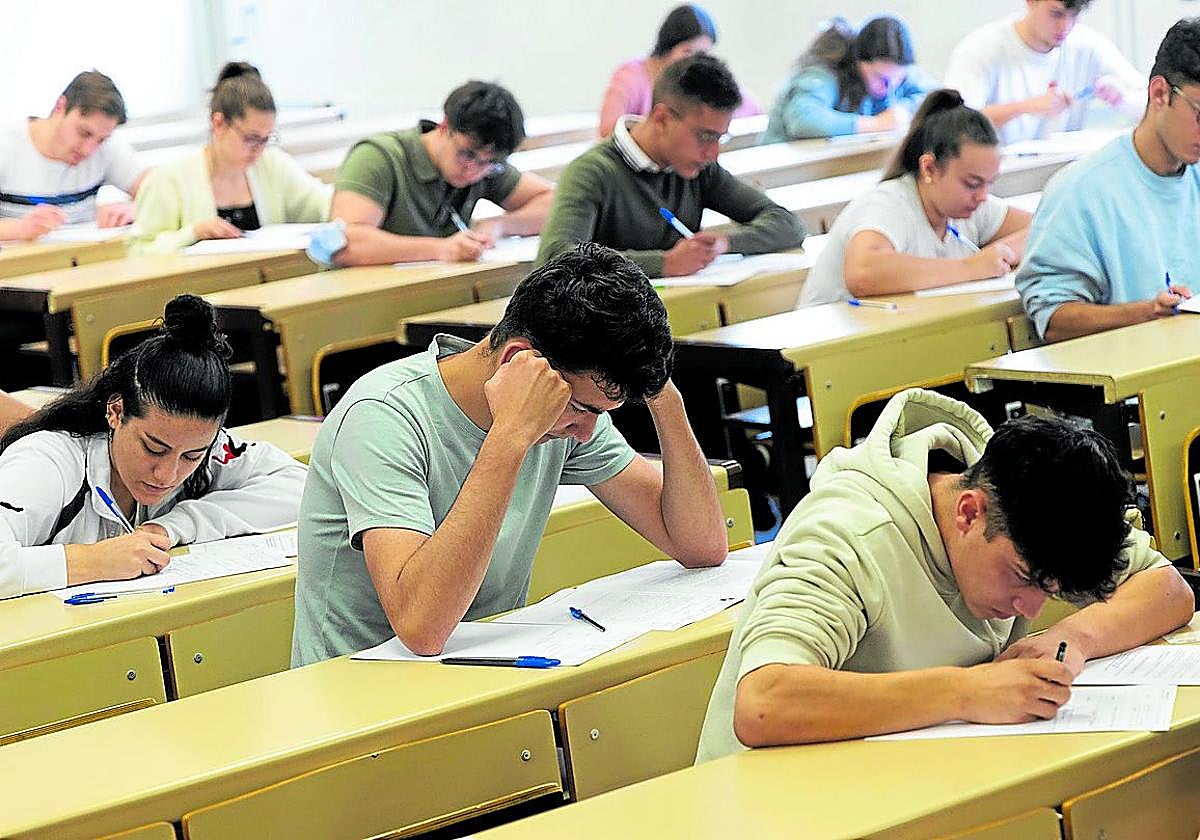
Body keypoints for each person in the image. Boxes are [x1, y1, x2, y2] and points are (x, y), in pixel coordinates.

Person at [695, 388, 1194, 761]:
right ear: (970, 513)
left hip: (905, 769)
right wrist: (968, 692)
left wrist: (1074, 636)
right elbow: (763, 703)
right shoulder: (847, 533)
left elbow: (1168, 589)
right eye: (1021, 578)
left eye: (1051, 592)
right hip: (774, 798)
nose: (1032, 608)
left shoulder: (1042, 498)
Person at [292, 244, 729, 665]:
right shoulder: (383, 418)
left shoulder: (566, 414)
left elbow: (701, 546)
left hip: (482, 671)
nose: (586, 431)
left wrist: (664, 398)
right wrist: (509, 437)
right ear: (521, 360)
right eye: (583, 408)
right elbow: (422, 628)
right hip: (360, 691)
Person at [0, 295, 307, 599]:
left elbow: (304, 487)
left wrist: (175, 526)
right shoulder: (46, 462)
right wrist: (95, 561)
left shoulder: (205, 448)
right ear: (116, 411)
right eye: (153, 449)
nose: (167, 475)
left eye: (191, 456)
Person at [536, 55, 805, 280]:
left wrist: (723, 243)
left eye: (720, 138)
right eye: (705, 137)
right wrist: (663, 264)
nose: (713, 153)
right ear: (662, 118)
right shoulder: (592, 172)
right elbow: (556, 257)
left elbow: (789, 224)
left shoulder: (699, 169)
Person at [1016, 18, 1200, 343]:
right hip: (1135, 384)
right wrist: (1147, 312)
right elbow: (1054, 318)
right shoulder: (1083, 190)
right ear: (1159, 94)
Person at [798, 89, 1032, 306]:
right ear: (929, 168)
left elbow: (1046, 228)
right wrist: (970, 267)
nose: (982, 196)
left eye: (990, 183)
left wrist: (1002, 254)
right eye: (972, 183)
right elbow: (863, 273)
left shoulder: (972, 205)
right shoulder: (886, 203)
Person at [319, 81, 553, 266]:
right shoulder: (378, 157)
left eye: (489, 162)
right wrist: (442, 249)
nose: (474, 170)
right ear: (444, 127)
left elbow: (554, 203)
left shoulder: (485, 165)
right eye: (467, 154)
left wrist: (499, 225)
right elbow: (346, 242)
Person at [130, 63, 332, 254]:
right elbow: (139, 252)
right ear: (218, 123)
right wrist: (193, 233)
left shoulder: (272, 165)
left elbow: (323, 202)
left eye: (266, 139)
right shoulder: (167, 180)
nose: (259, 150)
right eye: (251, 138)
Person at [944, 0, 1145, 146]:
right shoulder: (982, 48)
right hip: (998, 180)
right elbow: (951, 123)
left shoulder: (1088, 44)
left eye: (1074, 15)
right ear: (1031, 2)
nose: (1065, 27)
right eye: (1056, 14)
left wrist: (1121, 98)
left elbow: (1154, 106)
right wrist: (1026, 107)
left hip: (1062, 174)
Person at [0, 70, 146, 241]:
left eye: (101, 140)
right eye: (83, 133)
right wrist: (18, 229)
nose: (88, 150)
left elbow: (157, 187)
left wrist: (136, 208)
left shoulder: (108, 147)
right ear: (60, 106)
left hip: (84, 260)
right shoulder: (6, 145)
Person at [597, 4, 760, 138]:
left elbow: (750, 107)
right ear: (668, 47)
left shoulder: (697, 79)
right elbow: (608, 130)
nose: (695, 62)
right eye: (687, 52)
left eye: (703, 55)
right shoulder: (631, 76)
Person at [762, 16, 934, 142]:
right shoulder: (825, 69)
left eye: (898, 80)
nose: (888, 88)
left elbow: (935, 96)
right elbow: (804, 120)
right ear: (858, 61)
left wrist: (903, 111)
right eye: (880, 78)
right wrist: (877, 124)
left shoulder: (895, 72)